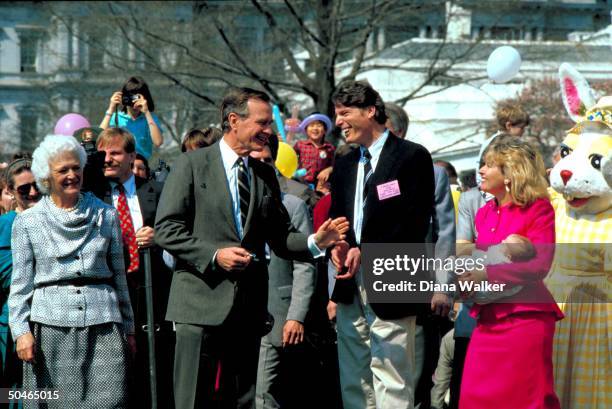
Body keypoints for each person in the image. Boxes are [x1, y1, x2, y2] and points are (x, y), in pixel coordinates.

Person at [154, 87, 349, 409]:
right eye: (262, 123)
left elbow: (281, 237)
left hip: (248, 309)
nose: (269, 131)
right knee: (192, 399)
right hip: (198, 304)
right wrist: (215, 255)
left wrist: (317, 242)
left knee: (243, 400)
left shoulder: (263, 174)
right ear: (234, 120)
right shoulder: (191, 164)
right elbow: (167, 229)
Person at [329, 80, 435, 409]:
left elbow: (414, 223)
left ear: (370, 111)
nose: (338, 122)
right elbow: (338, 217)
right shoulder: (345, 162)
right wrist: (338, 244)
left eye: (345, 113)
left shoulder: (411, 157)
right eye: (336, 114)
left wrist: (368, 249)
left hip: (393, 274)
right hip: (349, 281)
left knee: (392, 373)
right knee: (354, 374)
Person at [8, 135, 135, 408]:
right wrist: (21, 332)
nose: (72, 175)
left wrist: (130, 329)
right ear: (46, 176)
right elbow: (20, 286)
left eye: (76, 167)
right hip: (49, 331)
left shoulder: (106, 214)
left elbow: (120, 279)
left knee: (110, 403)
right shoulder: (27, 222)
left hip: (105, 328)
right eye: (63, 170)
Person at [457, 138, 562, 409]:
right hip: (488, 319)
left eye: (489, 165)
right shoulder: (483, 213)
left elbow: (539, 266)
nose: (480, 170)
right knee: (473, 397)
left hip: (525, 319)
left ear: (510, 173)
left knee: (526, 399)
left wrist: (486, 275)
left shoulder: (539, 209)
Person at [95, 127, 174, 408]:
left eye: (114, 152)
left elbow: (178, 230)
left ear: (131, 156)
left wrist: (159, 236)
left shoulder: (157, 190)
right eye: (102, 153)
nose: (107, 159)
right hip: (109, 291)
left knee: (152, 365)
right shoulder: (91, 194)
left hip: (150, 290)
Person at [250, 145, 317, 409]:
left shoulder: (293, 205)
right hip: (235, 311)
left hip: (276, 311)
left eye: (268, 160)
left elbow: (305, 263)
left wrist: (295, 315)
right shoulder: (230, 203)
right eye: (256, 160)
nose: (263, 165)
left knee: (264, 393)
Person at [1, 158, 41, 408]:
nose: (33, 193)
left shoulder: (55, 220)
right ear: (11, 192)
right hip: (10, 324)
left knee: (48, 392)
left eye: (37, 186)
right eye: (24, 189)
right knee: (12, 394)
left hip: (51, 321)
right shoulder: (3, 226)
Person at [100, 76, 164, 159]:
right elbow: (99, 139)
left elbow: (158, 142)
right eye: (131, 98)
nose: (134, 103)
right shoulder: (116, 117)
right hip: (120, 165)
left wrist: (147, 112)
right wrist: (111, 109)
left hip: (141, 164)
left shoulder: (150, 119)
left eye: (137, 98)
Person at [475, 103, 529, 185]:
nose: (523, 131)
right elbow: (481, 173)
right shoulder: (495, 144)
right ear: (509, 125)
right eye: (521, 128)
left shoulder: (515, 143)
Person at [293, 113, 335, 185]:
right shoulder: (300, 145)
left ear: (325, 130)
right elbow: (288, 157)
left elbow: (333, 165)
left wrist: (328, 170)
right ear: (306, 130)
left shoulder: (329, 148)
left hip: (320, 184)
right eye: (311, 125)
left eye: (319, 125)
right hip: (301, 183)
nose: (315, 128)